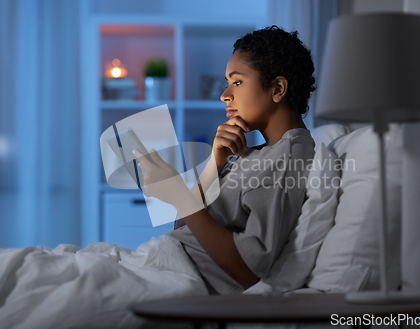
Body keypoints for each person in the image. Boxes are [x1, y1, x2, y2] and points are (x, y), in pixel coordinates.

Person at [133, 25, 316, 295]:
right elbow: (183, 226)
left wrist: (178, 194)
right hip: (158, 265)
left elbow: (251, 273)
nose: (224, 95)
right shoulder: (257, 153)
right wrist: (215, 163)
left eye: (237, 82)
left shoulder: (289, 155)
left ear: (278, 88)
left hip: (173, 278)